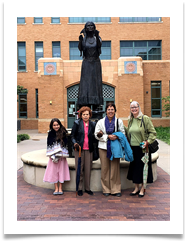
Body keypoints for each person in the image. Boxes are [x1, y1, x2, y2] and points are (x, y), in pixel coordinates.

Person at [125, 101, 157, 197]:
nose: (134, 109)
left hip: (143, 149)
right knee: (135, 169)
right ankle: (136, 188)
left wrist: (147, 142)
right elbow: (129, 132)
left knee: (143, 169)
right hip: (133, 149)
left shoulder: (145, 119)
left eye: (135, 107)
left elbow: (153, 133)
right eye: (132, 107)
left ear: (139, 108)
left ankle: (143, 188)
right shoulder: (130, 120)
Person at [94, 103, 125, 197]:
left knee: (115, 168)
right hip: (103, 148)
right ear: (106, 111)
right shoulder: (100, 122)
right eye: (109, 109)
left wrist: (116, 136)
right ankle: (106, 189)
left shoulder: (119, 121)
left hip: (115, 148)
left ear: (115, 111)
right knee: (105, 168)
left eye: (112, 109)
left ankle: (116, 189)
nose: (110, 111)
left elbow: (123, 133)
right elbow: (96, 134)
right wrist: (107, 137)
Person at [71, 106, 96, 196]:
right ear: (81, 115)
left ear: (90, 115)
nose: (85, 116)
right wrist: (75, 143)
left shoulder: (93, 124)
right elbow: (72, 136)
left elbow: (95, 136)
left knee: (88, 170)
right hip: (79, 150)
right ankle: (79, 188)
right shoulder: (77, 123)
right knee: (79, 169)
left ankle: (87, 188)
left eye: (87, 114)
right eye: (84, 114)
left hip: (89, 149)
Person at [77, 21, 103, 107]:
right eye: (88, 26)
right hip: (86, 62)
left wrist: (97, 36)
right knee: (85, 83)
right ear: (85, 28)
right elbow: (81, 49)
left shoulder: (97, 38)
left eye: (92, 25)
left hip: (95, 62)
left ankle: (96, 103)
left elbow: (99, 46)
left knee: (95, 83)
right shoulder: (84, 39)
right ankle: (85, 103)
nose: (90, 27)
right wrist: (80, 41)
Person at [43, 118, 70, 195]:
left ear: (60, 124)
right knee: (54, 172)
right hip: (53, 157)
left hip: (61, 156)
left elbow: (65, 144)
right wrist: (52, 154)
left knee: (61, 171)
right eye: (54, 125)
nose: (56, 126)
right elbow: (49, 144)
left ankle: (60, 188)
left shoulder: (63, 132)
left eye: (57, 125)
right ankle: (56, 188)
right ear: (52, 126)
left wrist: (60, 151)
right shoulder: (50, 133)